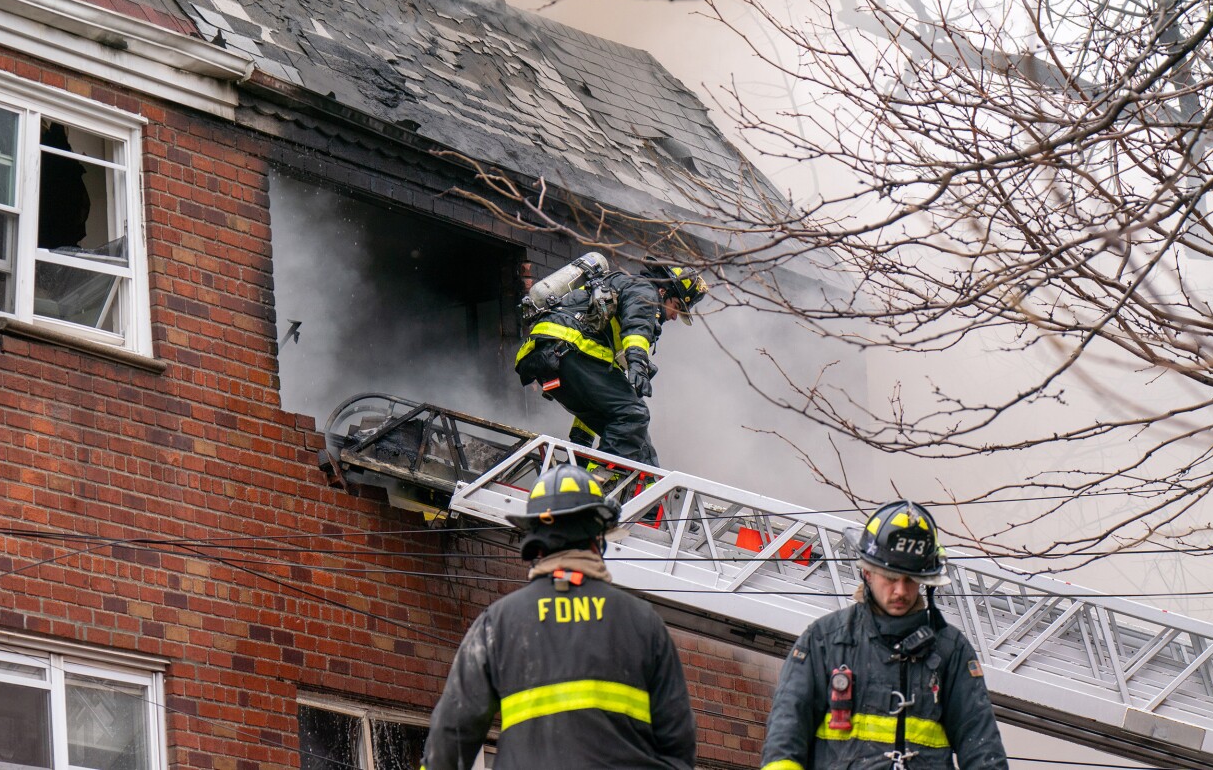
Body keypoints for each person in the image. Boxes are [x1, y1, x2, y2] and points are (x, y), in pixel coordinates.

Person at [420, 464, 697, 770]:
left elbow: (450, 739)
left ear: (536, 540)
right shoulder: (644, 623)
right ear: (598, 537)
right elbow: (679, 748)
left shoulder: (497, 624)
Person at [758, 501, 1009, 770]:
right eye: (891, 577)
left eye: (910, 579)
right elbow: (785, 739)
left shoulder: (950, 650)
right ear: (867, 572)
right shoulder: (824, 641)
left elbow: (983, 750)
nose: (901, 591)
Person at [514, 260, 708, 467]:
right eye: (676, 306)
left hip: (549, 362)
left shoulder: (617, 307)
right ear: (663, 291)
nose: (675, 316)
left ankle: (585, 472)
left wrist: (581, 441)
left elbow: (596, 400)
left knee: (637, 440)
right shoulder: (644, 291)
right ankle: (594, 484)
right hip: (568, 352)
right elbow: (638, 324)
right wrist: (638, 365)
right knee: (633, 414)